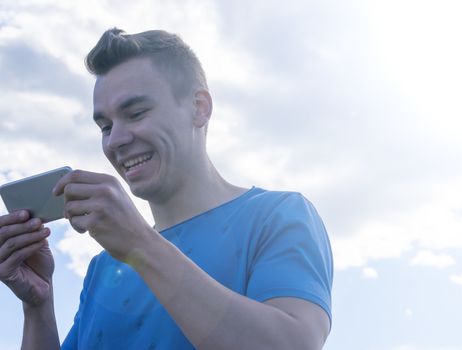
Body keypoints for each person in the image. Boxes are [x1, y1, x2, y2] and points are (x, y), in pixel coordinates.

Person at [0, 28, 333, 349]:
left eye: (137, 113)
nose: (115, 139)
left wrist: (139, 244)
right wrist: (38, 305)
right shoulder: (103, 267)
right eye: (105, 126)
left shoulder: (278, 216)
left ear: (199, 107)